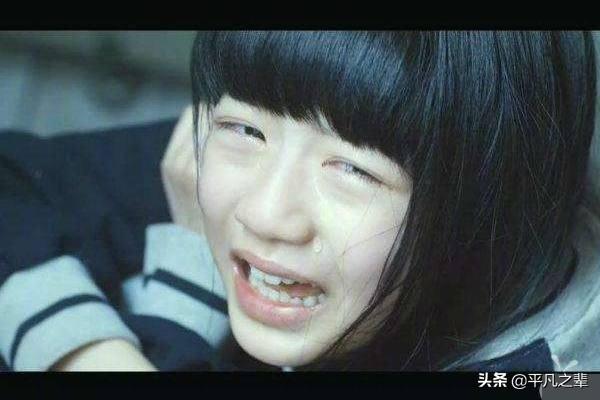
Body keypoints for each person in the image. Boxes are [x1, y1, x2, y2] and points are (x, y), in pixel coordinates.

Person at [0, 31, 599, 371]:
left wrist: (180, 303)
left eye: (353, 169)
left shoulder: (548, 379)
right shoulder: (250, 146)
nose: (264, 213)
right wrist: (95, 353)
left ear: (489, 206)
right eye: (246, 128)